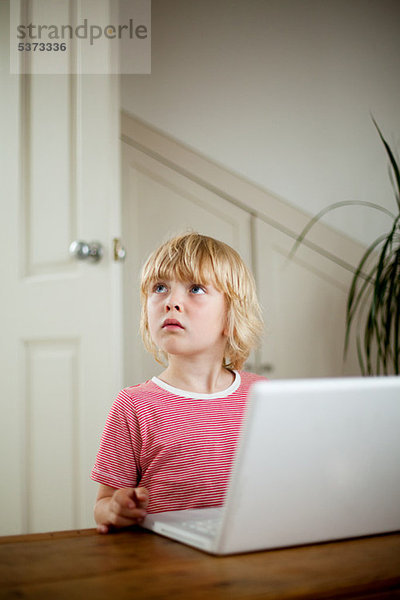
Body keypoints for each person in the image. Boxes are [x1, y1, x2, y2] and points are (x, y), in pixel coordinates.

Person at [91, 232, 266, 534]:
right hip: (162, 565)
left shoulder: (263, 396)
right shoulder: (134, 405)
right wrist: (116, 508)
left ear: (230, 316)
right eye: (160, 288)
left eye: (195, 288)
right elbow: (103, 504)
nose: (171, 302)